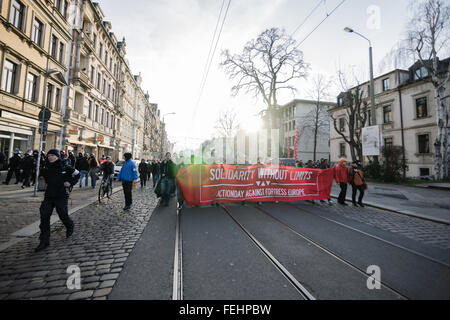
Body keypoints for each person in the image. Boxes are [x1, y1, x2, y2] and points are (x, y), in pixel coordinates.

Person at [34, 149, 75, 252]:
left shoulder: (64, 166)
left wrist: (70, 182)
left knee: (62, 215)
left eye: (53, 155)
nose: (50, 157)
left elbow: (77, 174)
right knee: (44, 216)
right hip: (48, 196)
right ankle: (44, 241)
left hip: (61, 196)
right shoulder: (46, 167)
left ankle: (69, 225)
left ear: (57, 156)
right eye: (49, 155)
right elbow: (45, 177)